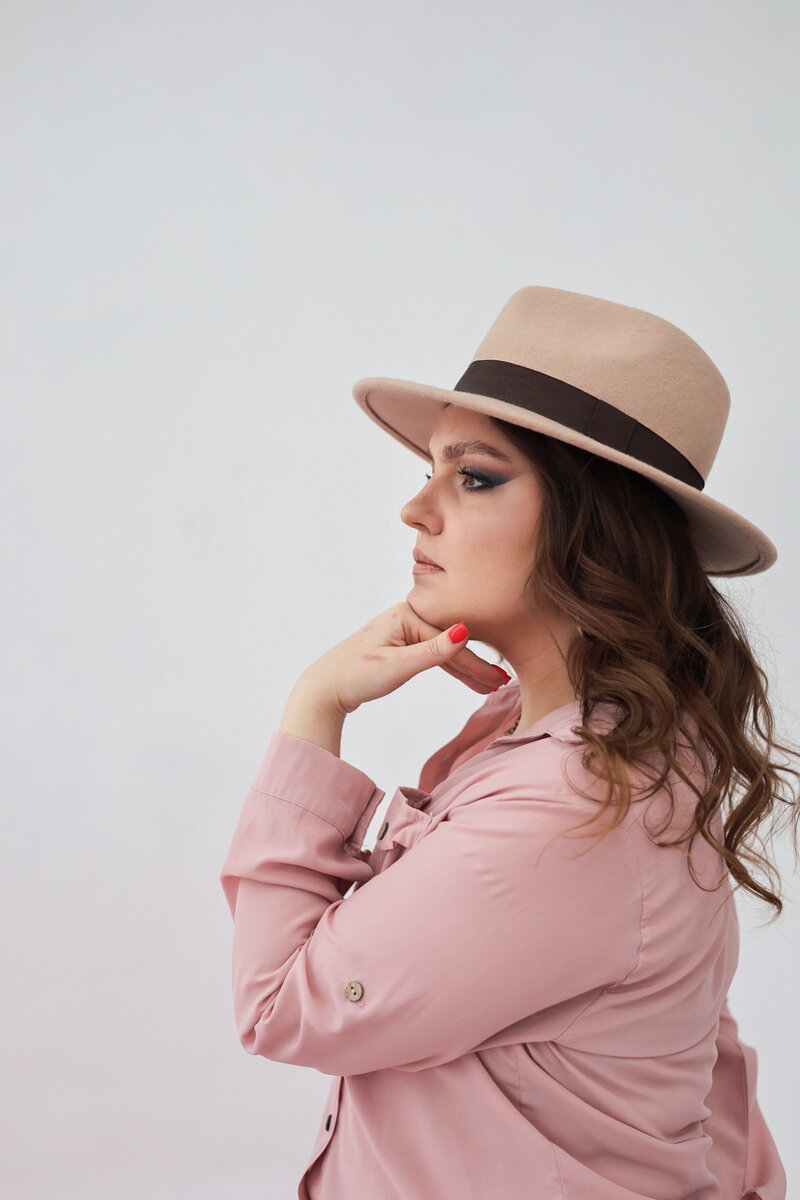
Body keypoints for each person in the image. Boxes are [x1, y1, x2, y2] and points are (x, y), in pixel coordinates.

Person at [219, 286, 799, 1199]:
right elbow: (702, 1062)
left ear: (595, 525)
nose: (416, 509)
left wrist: (315, 708)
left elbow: (282, 1005)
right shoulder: (618, 749)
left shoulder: (574, 803)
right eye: (431, 469)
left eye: (475, 477)